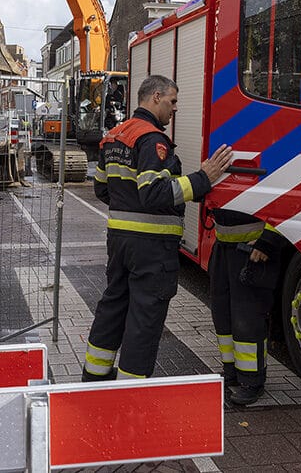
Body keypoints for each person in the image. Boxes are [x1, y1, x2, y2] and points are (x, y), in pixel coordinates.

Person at [82, 75, 232, 381]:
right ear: (155, 98)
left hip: (120, 241)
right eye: (172, 101)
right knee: (144, 317)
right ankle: (131, 390)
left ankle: (94, 378)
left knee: (113, 306)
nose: (174, 108)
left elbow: (101, 189)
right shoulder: (153, 140)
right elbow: (153, 192)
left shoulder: (114, 135)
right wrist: (203, 178)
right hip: (150, 247)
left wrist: (128, 207)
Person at [209, 213, 286, 405]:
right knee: (223, 315)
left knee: (248, 318)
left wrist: (268, 240)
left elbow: (285, 202)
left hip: (252, 250)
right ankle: (231, 372)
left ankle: (253, 381)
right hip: (223, 246)